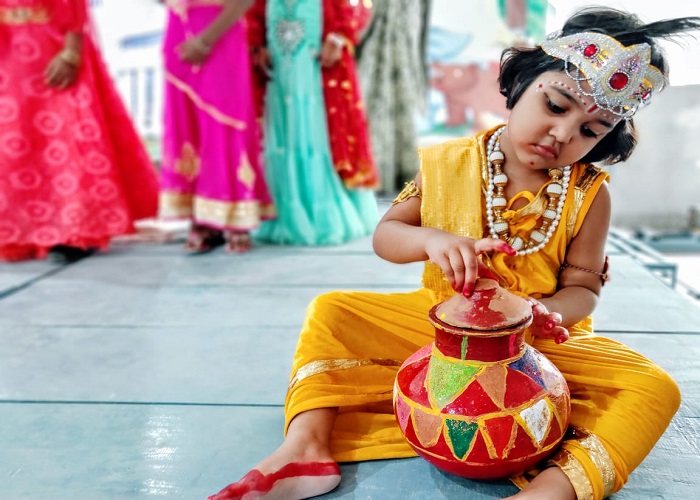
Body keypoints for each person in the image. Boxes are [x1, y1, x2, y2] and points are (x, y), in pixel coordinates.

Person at [208, 7, 700, 500]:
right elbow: (388, 236)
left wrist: (545, 313)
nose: (563, 134)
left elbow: (583, 289)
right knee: (332, 312)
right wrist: (433, 240)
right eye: (555, 105)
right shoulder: (448, 163)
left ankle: (551, 491)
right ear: (519, 82)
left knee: (655, 388)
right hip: (441, 330)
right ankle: (306, 448)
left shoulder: (590, 194)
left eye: (591, 131)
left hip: (535, 348)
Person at [0, 0, 160, 262]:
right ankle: (20, 232)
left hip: (50, 46)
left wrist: (71, 51)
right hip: (7, 53)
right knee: (12, 143)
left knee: (66, 140)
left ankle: (76, 229)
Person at [246, 0, 379, 246]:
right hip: (277, 70)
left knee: (317, 134)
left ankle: (322, 217)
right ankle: (281, 215)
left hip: (317, 68)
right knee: (281, 132)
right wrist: (255, 45)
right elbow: (251, 14)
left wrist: (338, 37)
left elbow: (359, 6)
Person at [158, 0, 274, 254]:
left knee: (225, 122)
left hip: (220, 34)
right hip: (179, 31)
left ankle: (235, 216)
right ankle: (202, 218)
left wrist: (205, 40)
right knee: (187, 127)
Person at [355, 0, 431, 195]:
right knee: (381, 100)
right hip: (388, 34)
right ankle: (384, 172)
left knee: (387, 101)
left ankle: (389, 172)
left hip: (397, 32)